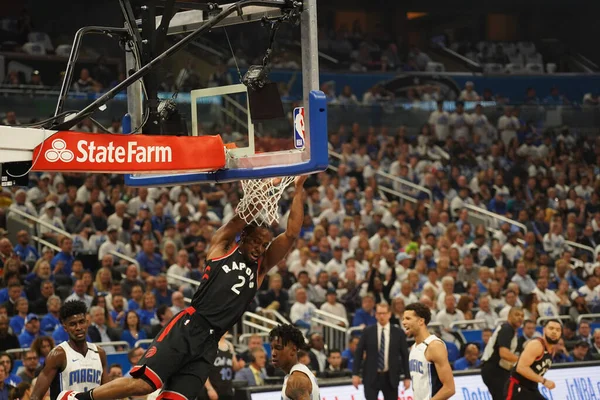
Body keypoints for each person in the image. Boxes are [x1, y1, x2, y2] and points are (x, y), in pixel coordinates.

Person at [69, 176, 308, 400]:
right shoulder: (222, 247)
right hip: (189, 326)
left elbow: (291, 233)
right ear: (243, 237)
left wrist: (298, 188)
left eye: (264, 244)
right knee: (144, 384)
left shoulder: (261, 267)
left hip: (210, 343)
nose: (260, 248)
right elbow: (243, 216)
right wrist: (265, 187)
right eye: (256, 241)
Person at [31, 300, 108, 400]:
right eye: (73, 324)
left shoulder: (99, 353)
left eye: (81, 322)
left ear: (87, 323)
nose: (78, 328)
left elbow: (107, 392)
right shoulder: (58, 355)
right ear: (65, 327)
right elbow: (35, 396)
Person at [352, 303, 411, 400]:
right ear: (376, 315)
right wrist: (355, 374)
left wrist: (407, 377)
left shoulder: (398, 332)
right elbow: (358, 353)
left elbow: (405, 355)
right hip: (371, 377)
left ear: (389, 314)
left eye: (384, 313)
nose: (382, 316)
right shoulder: (367, 331)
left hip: (390, 377)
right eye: (379, 313)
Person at [403, 303, 455, 400]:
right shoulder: (413, 348)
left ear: (421, 321)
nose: (403, 322)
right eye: (403, 319)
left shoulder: (434, 346)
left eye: (408, 318)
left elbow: (449, 388)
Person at [504, 319, 562, 399]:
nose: (554, 332)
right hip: (517, 387)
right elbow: (521, 368)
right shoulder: (537, 345)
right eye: (551, 328)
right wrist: (544, 381)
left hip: (532, 388)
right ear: (544, 330)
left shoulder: (552, 350)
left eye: (558, 330)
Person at [481, 307, 524, 400]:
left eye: (522, 316)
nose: (520, 317)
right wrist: (523, 361)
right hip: (494, 369)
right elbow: (504, 353)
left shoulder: (510, 330)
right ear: (509, 316)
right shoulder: (507, 328)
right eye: (517, 315)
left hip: (498, 370)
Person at [269, 324, 320, 400]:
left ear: (293, 350)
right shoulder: (300, 371)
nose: (273, 353)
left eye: (278, 348)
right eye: (272, 348)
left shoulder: (296, 380)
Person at [202, 334, 243, 400]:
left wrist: (240, 366)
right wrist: (209, 388)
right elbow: (203, 370)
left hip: (227, 389)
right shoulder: (209, 344)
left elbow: (234, 367)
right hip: (213, 388)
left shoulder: (229, 345)